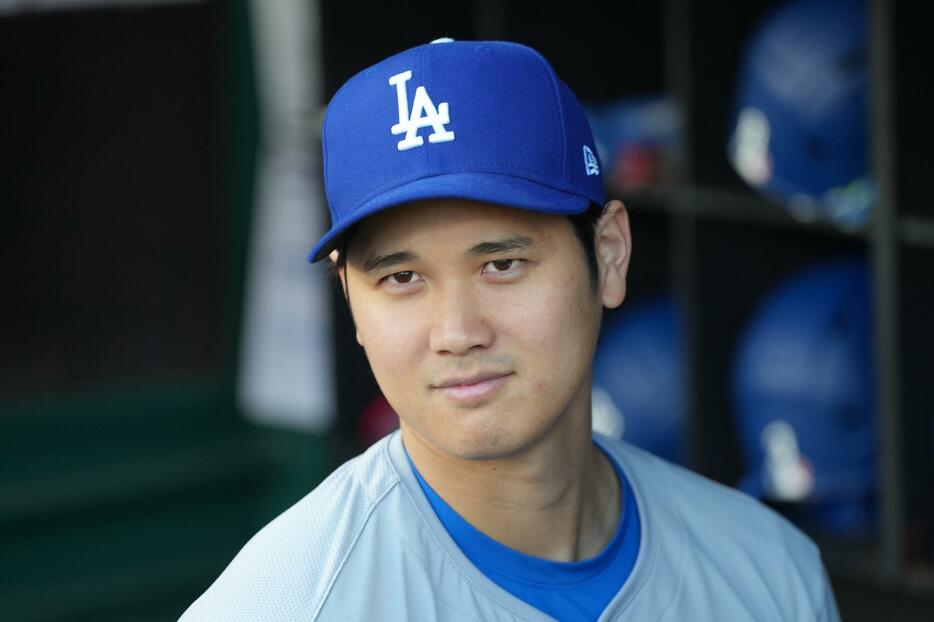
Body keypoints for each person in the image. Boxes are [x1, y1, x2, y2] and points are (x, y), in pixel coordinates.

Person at [181, 39, 840, 621]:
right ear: (349, 298)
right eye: (401, 279)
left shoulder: (767, 571)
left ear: (608, 255)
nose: (458, 332)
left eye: (502, 263)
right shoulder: (282, 606)